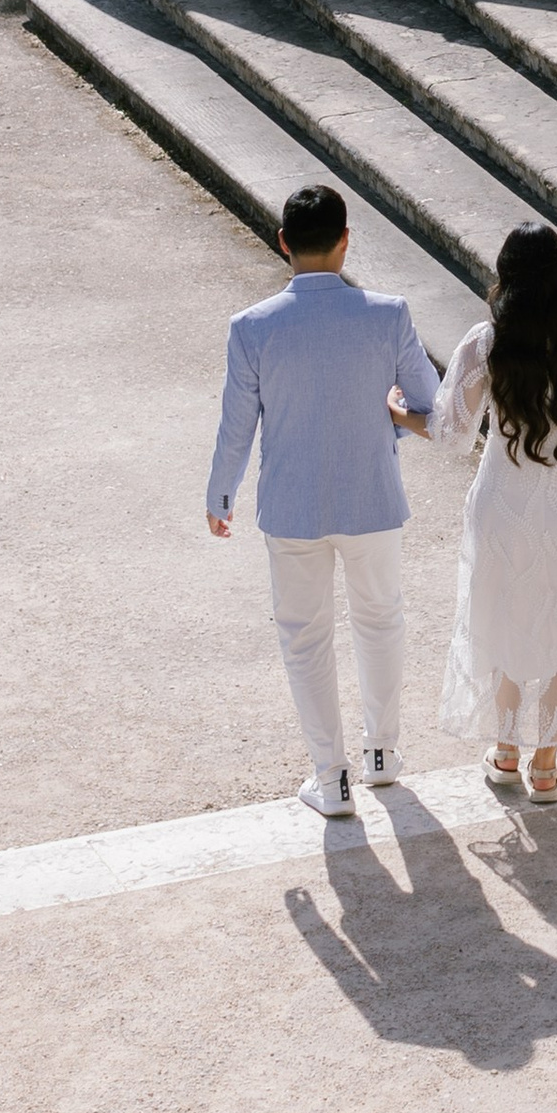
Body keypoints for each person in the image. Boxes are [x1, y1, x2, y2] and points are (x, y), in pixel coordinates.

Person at [205, 182, 440, 819]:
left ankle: (330, 775)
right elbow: (429, 401)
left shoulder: (251, 327)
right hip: (372, 496)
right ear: (345, 241)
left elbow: (237, 423)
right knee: (380, 619)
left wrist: (220, 493)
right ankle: (384, 754)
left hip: (293, 504)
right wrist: (390, 421)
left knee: (305, 636)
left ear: (283, 244)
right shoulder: (388, 313)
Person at [399, 222, 557, 804]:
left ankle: (505, 752)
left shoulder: (485, 342)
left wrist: (401, 413)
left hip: (504, 502)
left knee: (507, 621)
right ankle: (547, 768)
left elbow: (450, 432)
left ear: (504, 278)